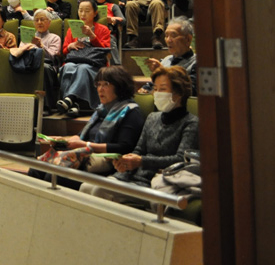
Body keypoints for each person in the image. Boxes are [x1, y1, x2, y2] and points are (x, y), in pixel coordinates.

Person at [81, 65, 198, 203]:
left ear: (179, 93)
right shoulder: (152, 118)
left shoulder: (191, 123)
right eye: (155, 88)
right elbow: (138, 150)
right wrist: (125, 162)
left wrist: (140, 161)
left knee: (99, 191)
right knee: (85, 187)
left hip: (158, 182)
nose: (157, 93)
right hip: (132, 176)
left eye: (163, 89)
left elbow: (180, 160)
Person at [30, 66, 146, 188]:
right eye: (98, 84)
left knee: (53, 177)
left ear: (119, 86)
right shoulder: (101, 110)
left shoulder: (131, 112)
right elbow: (81, 136)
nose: (100, 89)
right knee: (36, 169)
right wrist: (62, 141)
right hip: (83, 157)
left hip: (106, 165)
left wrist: (86, 146)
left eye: (105, 84)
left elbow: (123, 148)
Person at [57, 0, 111, 116]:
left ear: (95, 13)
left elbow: (105, 51)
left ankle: (69, 99)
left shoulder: (103, 29)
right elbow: (65, 51)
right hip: (74, 61)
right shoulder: (72, 29)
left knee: (83, 68)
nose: (83, 14)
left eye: (87, 11)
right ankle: (73, 104)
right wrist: (71, 45)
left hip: (94, 65)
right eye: (80, 10)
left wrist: (92, 36)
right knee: (68, 67)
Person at [138, 17, 197, 95]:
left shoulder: (197, 62)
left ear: (188, 39)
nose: (168, 40)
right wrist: (146, 88)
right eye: (166, 36)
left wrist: (164, 73)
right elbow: (153, 83)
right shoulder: (165, 60)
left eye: (173, 35)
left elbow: (191, 90)